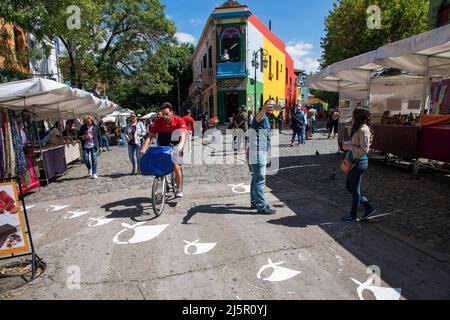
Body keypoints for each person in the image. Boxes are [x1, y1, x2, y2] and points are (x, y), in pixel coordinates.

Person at [141, 102, 187, 198]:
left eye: (167, 114)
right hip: (163, 144)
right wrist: (144, 148)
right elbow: (150, 136)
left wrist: (180, 147)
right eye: (163, 114)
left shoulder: (179, 120)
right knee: (161, 165)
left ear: (172, 112)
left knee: (176, 165)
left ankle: (179, 188)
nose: (164, 116)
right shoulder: (158, 121)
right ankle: (164, 182)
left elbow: (183, 136)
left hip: (176, 144)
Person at [341, 108, 377, 222]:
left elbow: (364, 150)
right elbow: (355, 143)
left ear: (358, 116)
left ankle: (353, 215)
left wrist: (349, 146)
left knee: (355, 189)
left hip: (359, 162)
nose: (352, 116)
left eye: (353, 114)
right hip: (353, 162)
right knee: (349, 187)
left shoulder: (364, 130)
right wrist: (347, 144)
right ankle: (368, 207)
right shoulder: (358, 128)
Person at [248, 99, 277, 215]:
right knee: (260, 179)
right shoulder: (261, 115)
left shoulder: (266, 116)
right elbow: (257, 118)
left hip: (257, 150)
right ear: (265, 105)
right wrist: (264, 109)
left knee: (255, 178)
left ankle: (255, 202)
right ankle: (261, 206)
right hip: (257, 151)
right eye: (270, 104)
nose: (272, 106)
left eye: (273, 105)